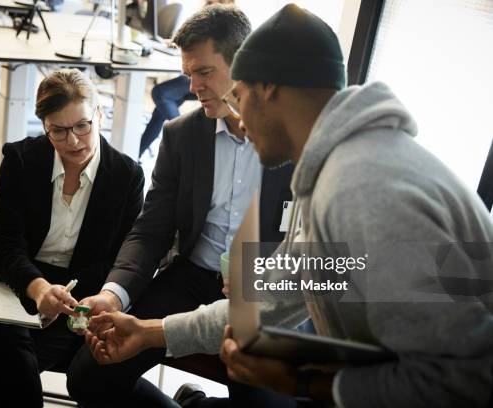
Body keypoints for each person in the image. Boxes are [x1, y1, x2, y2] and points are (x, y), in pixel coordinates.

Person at [85, 4, 493, 407]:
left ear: (269, 89)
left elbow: (458, 381)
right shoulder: (342, 169)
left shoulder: (362, 189)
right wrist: (149, 331)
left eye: (240, 96)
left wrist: (306, 382)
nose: (239, 121)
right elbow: (274, 298)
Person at [67, 4, 295, 407]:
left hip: (260, 294)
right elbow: (151, 228)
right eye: (188, 73)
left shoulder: (296, 141)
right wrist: (113, 295)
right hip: (192, 278)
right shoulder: (182, 135)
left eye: (204, 72)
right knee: (88, 377)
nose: (191, 87)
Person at [0, 68, 145, 407]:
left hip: (80, 293)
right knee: (12, 357)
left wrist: (70, 301)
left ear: (99, 115)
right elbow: (3, 244)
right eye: (58, 131)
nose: (73, 141)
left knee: (0, 370)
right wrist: (38, 290)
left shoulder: (127, 176)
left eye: (82, 126)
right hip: (12, 278)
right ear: (45, 127)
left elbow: (117, 258)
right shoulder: (21, 160)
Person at [138, 0, 235, 159]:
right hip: (194, 69)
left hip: (201, 71)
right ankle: (136, 154)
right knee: (161, 109)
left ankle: (187, 138)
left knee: (161, 93)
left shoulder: (226, 18)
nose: (193, 87)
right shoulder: (207, 10)